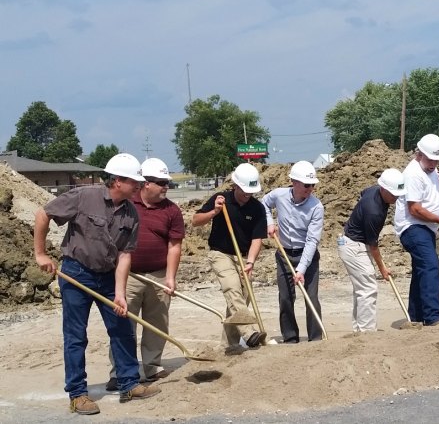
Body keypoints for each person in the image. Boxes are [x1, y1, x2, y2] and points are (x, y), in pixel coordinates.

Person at [33, 153, 161, 416]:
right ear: (117, 180)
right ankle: (78, 394)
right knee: (76, 336)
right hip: (76, 273)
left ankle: (129, 384)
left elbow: (125, 254)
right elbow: (43, 214)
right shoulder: (84, 197)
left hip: (107, 276)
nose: (139, 185)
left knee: (122, 328)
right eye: (134, 181)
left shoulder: (131, 213)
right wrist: (41, 254)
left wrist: (121, 293)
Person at [106, 157, 185, 391]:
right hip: (128, 276)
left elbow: (174, 245)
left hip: (158, 274)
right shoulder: (127, 205)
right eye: (161, 182)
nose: (165, 187)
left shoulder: (172, 210)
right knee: (123, 324)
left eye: (166, 183)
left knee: (157, 323)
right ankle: (120, 372)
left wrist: (170, 276)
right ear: (146, 184)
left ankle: (151, 367)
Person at [192, 163, 267, 348]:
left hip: (243, 256)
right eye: (244, 190)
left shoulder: (257, 208)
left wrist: (250, 262)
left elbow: (257, 239)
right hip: (220, 253)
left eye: (251, 191)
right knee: (233, 288)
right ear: (235, 185)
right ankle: (249, 333)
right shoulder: (221, 200)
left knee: (242, 295)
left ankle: (229, 346)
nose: (248, 194)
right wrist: (214, 212)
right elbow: (195, 221)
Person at [261, 160, 324, 343]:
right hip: (284, 254)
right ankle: (290, 338)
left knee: (311, 298)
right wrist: (270, 223)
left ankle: (316, 338)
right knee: (286, 298)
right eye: (306, 185)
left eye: (312, 185)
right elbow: (263, 204)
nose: (310, 188)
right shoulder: (279, 195)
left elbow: (312, 240)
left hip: (308, 256)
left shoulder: (316, 207)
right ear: (294, 182)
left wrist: (301, 269)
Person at [394, 134, 439, 326]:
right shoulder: (412, 174)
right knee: (430, 265)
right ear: (419, 154)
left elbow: (435, 178)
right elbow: (415, 209)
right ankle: (432, 316)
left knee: (421, 270)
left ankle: (416, 315)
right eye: (430, 159)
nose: (433, 163)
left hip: (427, 228)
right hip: (413, 227)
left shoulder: (430, 169)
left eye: (437, 160)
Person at [338, 168, 406, 332]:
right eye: (393, 194)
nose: (396, 197)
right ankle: (367, 332)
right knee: (368, 288)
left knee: (361, 289)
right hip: (354, 247)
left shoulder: (373, 190)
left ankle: (360, 330)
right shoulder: (373, 211)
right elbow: (373, 245)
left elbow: (362, 193)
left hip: (355, 243)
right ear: (383, 189)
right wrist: (382, 268)